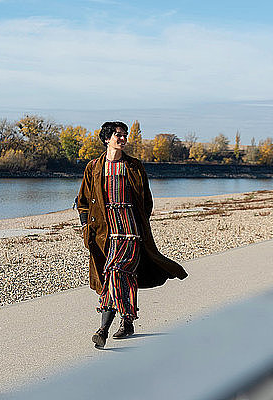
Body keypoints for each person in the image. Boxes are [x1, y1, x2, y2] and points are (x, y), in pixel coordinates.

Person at [77, 121, 188, 349]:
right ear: (107, 139)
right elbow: (83, 202)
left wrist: (139, 225)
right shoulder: (94, 167)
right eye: (118, 135)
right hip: (105, 235)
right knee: (122, 278)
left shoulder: (135, 167)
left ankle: (103, 330)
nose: (123, 138)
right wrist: (86, 227)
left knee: (115, 272)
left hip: (131, 233)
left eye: (125, 135)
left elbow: (146, 201)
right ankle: (127, 321)